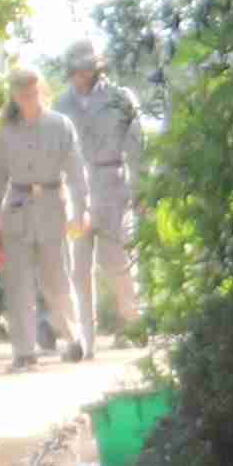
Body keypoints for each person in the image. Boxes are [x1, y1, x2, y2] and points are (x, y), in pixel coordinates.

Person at [0, 69, 88, 364]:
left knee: (57, 279)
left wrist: (79, 210)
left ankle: (73, 339)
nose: (27, 99)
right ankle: (24, 350)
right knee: (18, 283)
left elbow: (75, 171)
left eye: (32, 93)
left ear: (43, 92)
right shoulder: (5, 131)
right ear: (14, 96)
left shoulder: (60, 125)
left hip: (51, 207)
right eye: (21, 94)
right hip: (18, 209)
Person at [62, 46, 152, 345]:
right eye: (74, 70)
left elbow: (137, 147)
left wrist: (142, 192)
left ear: (95, 69)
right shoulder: (62, 105)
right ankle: (84, 334)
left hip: (113, 183)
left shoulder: (120, 98)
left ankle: (133, 324)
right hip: (75, 190)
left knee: (120, 262)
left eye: (83, 69)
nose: (79, 75)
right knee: (77, 265)